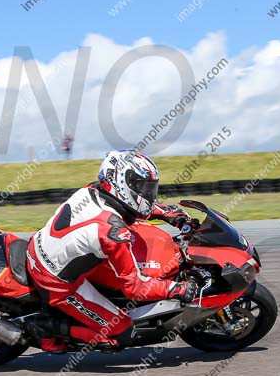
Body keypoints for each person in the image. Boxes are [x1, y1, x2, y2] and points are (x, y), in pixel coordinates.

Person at [26, 150, 198, 352]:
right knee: (123, 332)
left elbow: (131, 207)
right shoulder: (113, 232)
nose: (148, 194)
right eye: (143, 188)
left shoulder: (96, 190)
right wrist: (177, 289)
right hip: (56, 283)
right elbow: (134, 288)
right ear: (121, 183)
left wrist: (168, 213)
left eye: (150, 188)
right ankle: (44, 328)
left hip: (46, 249)